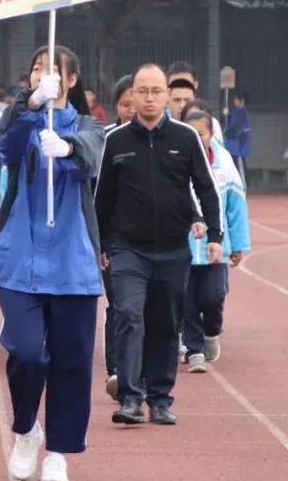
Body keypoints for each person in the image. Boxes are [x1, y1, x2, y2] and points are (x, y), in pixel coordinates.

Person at [0, 45, 104, 481]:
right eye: (36, 69)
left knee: (72, 361)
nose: (43, 75)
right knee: (28, 352)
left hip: (72, 259)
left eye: (52, 70)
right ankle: (28, 428)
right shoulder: (24, 118)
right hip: (21, 257)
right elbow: (3, 145)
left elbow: (90, 154)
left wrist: (67, 145)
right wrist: (31, 107)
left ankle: (59, 454)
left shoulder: (89, 125)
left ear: (71, 79)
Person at [95, 63, 223, 428]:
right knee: (128, 316)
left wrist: (214, 235)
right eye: (142, 91)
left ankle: (161, 399)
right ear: (131, 97)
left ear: (167, 96)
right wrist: (102, 243)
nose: (149, 98)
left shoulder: (185, 138)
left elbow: (205, 188)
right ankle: (131, 397)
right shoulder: (116, 141)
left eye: (155, 91)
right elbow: (102, 198)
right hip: (127, 249)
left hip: (172, 250)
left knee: (166, 324)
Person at [180, 110, 250, 373]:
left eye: (202, 134)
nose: (197, 139)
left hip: (216, 249)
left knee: (213, 296)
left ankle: (212, 332)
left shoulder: (224, 164)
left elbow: (236, 206)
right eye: (192, 134)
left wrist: (239, 244)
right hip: (182, 249)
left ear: (211, 135)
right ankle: (194, 350)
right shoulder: (175, 160)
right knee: (185, 302)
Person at [102, 74, 134, 399]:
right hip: (116, 241)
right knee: (120, 305)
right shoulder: (106, 140)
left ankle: (144, 374)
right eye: (125, 104)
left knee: (148, 310)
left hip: (157, 242)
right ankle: (117, 370)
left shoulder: (169, 139)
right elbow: (97, 193)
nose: (132, 110)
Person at [224, 91, 251, 185]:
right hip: (232, 142)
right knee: (234, 162)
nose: (234, 101)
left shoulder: (243, 112)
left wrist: (228, 133)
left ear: (241, 101)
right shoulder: (235, 111)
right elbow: (229, 123)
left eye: (236, 99)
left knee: (239, 163)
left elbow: (238, 127)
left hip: (238, 143)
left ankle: (244, 183)